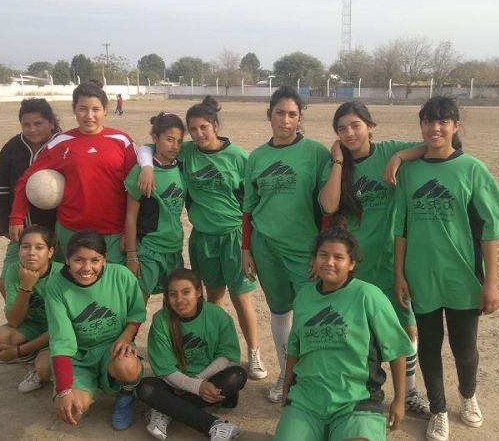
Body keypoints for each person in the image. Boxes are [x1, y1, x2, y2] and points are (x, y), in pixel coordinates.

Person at [393, 96, 499, 441]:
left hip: (463, 277)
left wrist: (491, 282)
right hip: (421, 275)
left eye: (443, 121)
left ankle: (468, 395)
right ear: (421, 126)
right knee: (429, 346)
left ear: (456, 126)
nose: (435, 128)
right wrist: (399, 274)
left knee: (465, 348)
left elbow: (489, 230)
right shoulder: (410, 171)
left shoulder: (473, 169)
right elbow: (400, 227)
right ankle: (439, 410)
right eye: (428, 121)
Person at [137, 97, 267, 382]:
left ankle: (254, 352)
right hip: (203, 238)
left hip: (233, 236)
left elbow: (255, 198)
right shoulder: (186, 152)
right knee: (213, 297)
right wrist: (146, 166)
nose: (198, 134)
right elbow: (146, 147)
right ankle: (215, 350)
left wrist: (252, 242)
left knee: (241, 296)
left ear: (215, 126)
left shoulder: (238, 156)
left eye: (203, 127)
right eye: (193, 129)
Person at [318, 101, 430, 418]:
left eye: (356, 125)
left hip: (392, 262)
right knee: (357, 330)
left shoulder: (388, 150)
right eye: (342, 129)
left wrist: (399, 157)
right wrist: (338, 161)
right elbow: (328, 206)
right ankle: (360, 390)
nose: (350, 133)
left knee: (405, 329)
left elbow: (432, 146)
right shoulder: (337, 164)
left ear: (370, 127)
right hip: (354, 266)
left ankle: (408, 392)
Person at [274, 223, 411, 441]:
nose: (329, 262)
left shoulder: (368, 296)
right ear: (314, 260)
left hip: (356, 402)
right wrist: (287, 389)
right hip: (307, 400)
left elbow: (397, 350)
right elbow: (294, 348)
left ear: (351, 263)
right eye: (323, 255)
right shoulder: (304, 296)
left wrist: (399, 401)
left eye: (338, 257)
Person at [241, 86, 330, 402]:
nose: (286, 120)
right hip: (265, 247)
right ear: (269, 115)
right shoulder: (257, 157)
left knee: (311, 313)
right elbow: (249, 207)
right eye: (280, 113)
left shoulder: (316, 153)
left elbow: (327, 207)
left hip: (305, 249)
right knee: (280, 310)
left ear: (300, 117)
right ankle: (286, 375)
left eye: (293, 114)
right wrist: (247, 250)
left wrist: (321, 252)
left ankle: (314, 378)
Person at [9, 83, 138, 265]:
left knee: (111, 281)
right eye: (83, 109)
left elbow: (134, 190)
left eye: (96, 109)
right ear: (74, 109)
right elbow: (26, 179)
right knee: (70, 280)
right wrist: (16, 217)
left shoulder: (122, 141)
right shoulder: (60, 143)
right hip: (70, 230)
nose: (89, 115)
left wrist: (127, 232)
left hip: (113, 232)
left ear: (105, 111)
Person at [45, 230, 146, 430]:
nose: (87, 268)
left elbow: (137, 313)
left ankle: (126, 394)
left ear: (104, 260)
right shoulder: (56, 285)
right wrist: (64, 390)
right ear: (67, 259)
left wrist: (126, 337)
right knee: (73, 409)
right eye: (78, 260)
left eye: (95, 260)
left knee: (127, 367)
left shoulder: (121, 275)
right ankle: (87, 383)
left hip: (112, 348)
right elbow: (61, 339)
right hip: (78, 356)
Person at [138, 268, 244, 441]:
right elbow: (166, 370)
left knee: (237, 376)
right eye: (173, 294)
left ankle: (165, 409)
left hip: (208, 378)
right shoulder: (161, 320)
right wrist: (196, 387)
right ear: (167, 297)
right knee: (146, 388)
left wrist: (199, 382)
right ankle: (215, 426)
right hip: (173, 382)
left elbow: (226, 355)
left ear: (199, 292)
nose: (179, 300)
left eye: (186, 292)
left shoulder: (217, 315)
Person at [0, 98, 61, 297]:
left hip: (58, 231)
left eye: (38, 123)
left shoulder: (63, 145)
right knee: (7, 283)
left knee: (56, 284)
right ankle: (22, 316)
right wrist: (6, 225)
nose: (32, 129)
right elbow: (0, 190)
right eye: (26, 125)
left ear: (51, 122)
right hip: (23, 231)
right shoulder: (12, 148)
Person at [0, 224, 61, 392]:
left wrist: (18, 351)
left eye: (39, 247)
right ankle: (32, 360)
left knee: (45, 369)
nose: (31, 253)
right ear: (19, 250)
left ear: (50, 252)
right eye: (25, 247)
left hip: (59, 331)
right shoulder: (15, 270)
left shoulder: (62, 275)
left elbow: (59, 328)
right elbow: (14, 321)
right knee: (2, 338)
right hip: (36, 325)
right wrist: (26, 287)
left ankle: (38, 362)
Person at [124, 112, 186, 302]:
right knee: (138, 304)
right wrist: (132, 256)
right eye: (169, 140)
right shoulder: (140, 172)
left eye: (179, 141)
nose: (175, 146)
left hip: (174, 248)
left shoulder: (181, 166)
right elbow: (130, 216)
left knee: (174, 304)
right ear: (155, 138)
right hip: (148, 249)